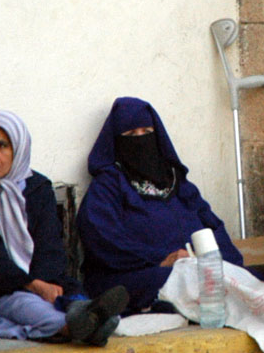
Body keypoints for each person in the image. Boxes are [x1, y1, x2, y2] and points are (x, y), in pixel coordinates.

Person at [0, 110, 128, 345]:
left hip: (39, 280)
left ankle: (86, 317)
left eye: (1, 146)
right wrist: (34, 286)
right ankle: (75, 327)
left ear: (18, 148)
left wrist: (46, 283)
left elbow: (49, 245)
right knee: (26, 305)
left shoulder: (37, 187)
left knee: (67, 294)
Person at [76, 97, 245, 314]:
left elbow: (212, 225)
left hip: (194, 268)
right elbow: (102, 239)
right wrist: (161, 260)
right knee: (187, 280)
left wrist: (226, 261)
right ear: (116, 142)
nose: (139, 141)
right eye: (129, 135)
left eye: (146, 132)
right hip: (136, 274)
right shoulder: (108, 185)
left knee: (243, 276)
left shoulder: (177, 182)